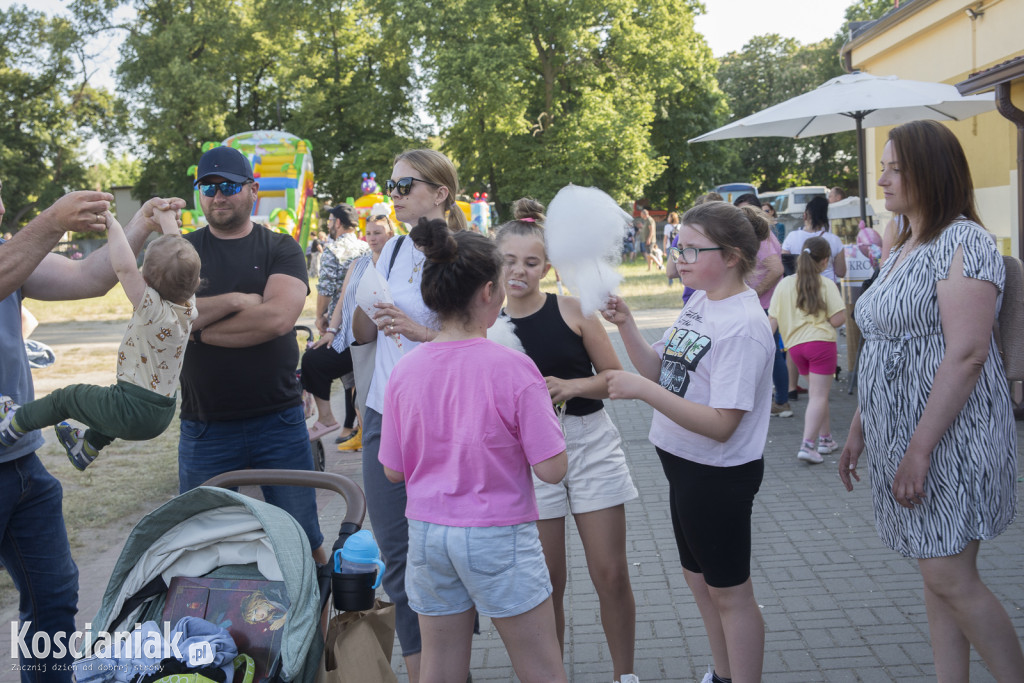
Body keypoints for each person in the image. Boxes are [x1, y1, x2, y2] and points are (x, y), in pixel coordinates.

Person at [839, 120, 1024, 681]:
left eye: (896, 168)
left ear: (932, 173)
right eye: (884, 167)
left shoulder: (962, 242)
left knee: (949, 576)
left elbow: (967, 355)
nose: (884, 179)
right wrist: (859, 428)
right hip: (906, 433)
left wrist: (918, 451)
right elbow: (886, 348)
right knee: (936, 574)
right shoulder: (903, 242)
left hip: (951, 438)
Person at [0, 178, 185, 683]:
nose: (0, 203)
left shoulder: (10, 253)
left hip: (20, 464)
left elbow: (89, 277)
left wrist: (140, 226)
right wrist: (51, 221)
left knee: (54, 598)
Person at [378, 217, 568, 683]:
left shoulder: (405, 370)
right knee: (541, 666)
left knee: (439, 667)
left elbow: (393, 473)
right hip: (498, 534)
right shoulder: (515, 368)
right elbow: (552, 469)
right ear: (489, 293)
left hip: (427, 535)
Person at [602, 201, 773, 683]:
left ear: (734, 256)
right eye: (680, 247)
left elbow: (723, 424)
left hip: (717, 475)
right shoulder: (700, 301)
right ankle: (722, 674)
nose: (681, 257)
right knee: (701, 582)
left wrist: (644, 393)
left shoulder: (742, 326)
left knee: (730, 592)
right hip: (684, 466)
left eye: (694, 250)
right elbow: (660, 371)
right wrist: (627, 325)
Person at [497, 199, 639, 683]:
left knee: (611, 574)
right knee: (547, 584)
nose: (519, 270)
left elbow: (615, 378)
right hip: (530, 458)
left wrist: (570, 386)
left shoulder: (573, 310)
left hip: (590, 442)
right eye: (510, 260)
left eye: (531, 262)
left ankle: (626, 676)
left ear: (547, 267)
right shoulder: (489, 326)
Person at [351, 148, 467, 682]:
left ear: (440, 193)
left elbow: (482, 340)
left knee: (448, 554)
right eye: (390, 188)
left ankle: (453, 669)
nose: (393, 196)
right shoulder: (391, 250)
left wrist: (421, 332)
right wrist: (360, 293)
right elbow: (365, 334)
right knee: (397, 555)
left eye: (404, 186)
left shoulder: (466, 253)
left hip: (444, 419)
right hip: (383, 413)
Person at [179, 146, 326, 564]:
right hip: (204, 426)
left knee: (302, 540)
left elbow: (277, 319)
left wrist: (201, 332)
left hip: (277, 423)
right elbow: (166, 320)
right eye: (207, 187)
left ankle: (317, 627)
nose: (217, 195)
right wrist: (240, 300)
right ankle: (209, 630)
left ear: (253, 191)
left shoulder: (281, 248)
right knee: (198, 546)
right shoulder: (183, 252)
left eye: (227, 185)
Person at [0, 210, 199, 469]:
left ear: (146, 279)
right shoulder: (189, 308)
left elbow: (124, 268)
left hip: (133, 407)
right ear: (194, 281)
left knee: (67, 398)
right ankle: (87, 446)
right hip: (162, 411)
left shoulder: (150, 306)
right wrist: (166, 219)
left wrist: (112, 223)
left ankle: (15, 423)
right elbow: (180, 248)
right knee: (110, 405)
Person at [305, 209, 396, 450]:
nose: (372, 238)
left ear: (391, 234)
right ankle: (332, 421)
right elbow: (344, 299)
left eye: (378, 233)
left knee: (365, 394)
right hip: (351, 338)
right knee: (313, 360)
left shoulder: (397, 262)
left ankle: (370, 437)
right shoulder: (358, 263)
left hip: (385, 340)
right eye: (368, 233)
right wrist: (331, 332)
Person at [768, 236, 846, 463]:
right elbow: (837, 319)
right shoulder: (826, 284)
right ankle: (808, 445)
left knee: (816, 396)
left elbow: (772, 321)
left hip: (795, 349)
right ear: (824, 262)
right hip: (821, 345)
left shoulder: (784, 284)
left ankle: (826, 439)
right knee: (819, 396)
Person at [304, 203, 369, 444]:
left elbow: (327, 288)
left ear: (338, 223)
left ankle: (333, 421)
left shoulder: (333, 250)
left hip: (341, 326)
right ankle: (352, 430)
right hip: (364, 325)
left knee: (316, 362)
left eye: (330, 221)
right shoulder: (365, 246)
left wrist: (320, 316)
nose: (329, 225)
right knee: (355, 379)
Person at [781, 196, 846, 400]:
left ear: (805, 214)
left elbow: (785, 266)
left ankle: (792, 386)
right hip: (827, 295)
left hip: (797, 291)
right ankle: (821, 383)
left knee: (796, 338)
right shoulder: (834, 240)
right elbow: (842, 272)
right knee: (821, 336)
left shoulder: (792, 237)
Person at [741, 206, 790, 419]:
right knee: (770, 350)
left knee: (771, 352)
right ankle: (778, 399)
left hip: (763, 305)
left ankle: (781, 401)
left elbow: (777, 269)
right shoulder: (764, 237)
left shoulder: (760, 240)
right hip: (764, 304)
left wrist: (756, 292)